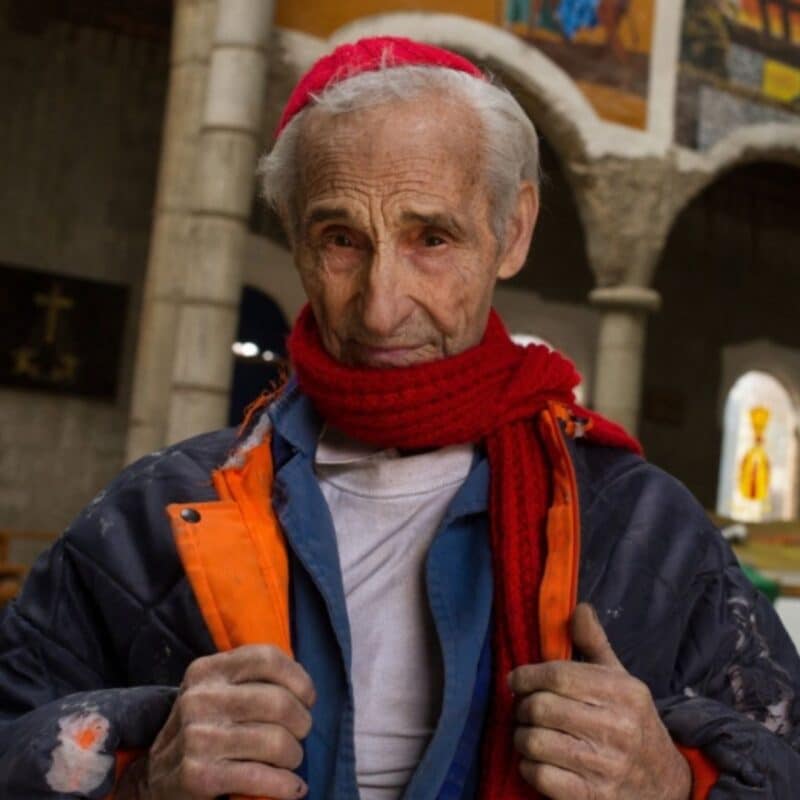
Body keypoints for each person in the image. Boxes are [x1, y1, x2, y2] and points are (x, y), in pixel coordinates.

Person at [1, 35, 800, 800]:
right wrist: (139, 778)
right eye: (341, 239)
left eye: (432, 238)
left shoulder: (641, 526)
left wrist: (675, 783)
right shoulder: (154, 515)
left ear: (512, 230)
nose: (382, 309)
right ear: (296, 240)